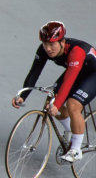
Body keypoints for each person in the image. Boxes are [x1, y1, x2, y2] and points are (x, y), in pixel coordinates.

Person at [13, 21, 96, 162]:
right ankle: (72, 128)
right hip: (75, 71)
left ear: (62, 42)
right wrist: (23, 96)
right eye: (45, 45)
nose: (48, 49)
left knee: (73, 105)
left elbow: (69, 81)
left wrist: (58, 104)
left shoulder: (76, 51)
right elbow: (34, 72)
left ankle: (76, 150)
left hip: (92, 74)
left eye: (52, 45)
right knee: (50, 100)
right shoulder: (43, 50)